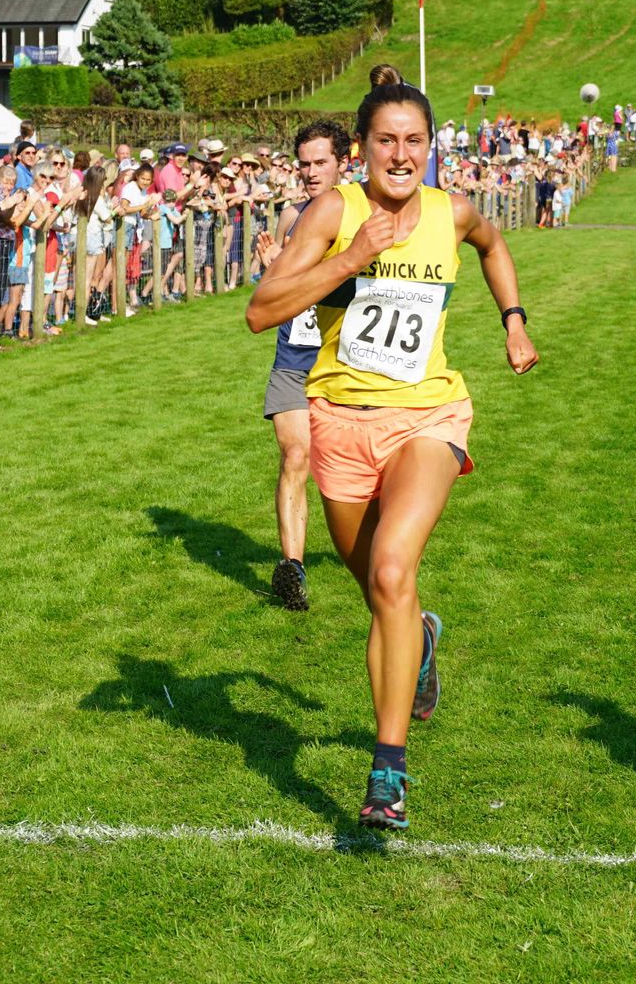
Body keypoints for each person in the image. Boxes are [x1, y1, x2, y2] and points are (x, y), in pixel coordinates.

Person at [245, 64, 537, 831]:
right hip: (339, 421)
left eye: (414, 141)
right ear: (361, 148)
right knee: (382, 596)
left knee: (391, 569)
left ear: (430, 147)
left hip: (428, 417)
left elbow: (494, 246)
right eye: (385, 141)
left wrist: (513, 318)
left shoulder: (454, 212)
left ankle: (388, 773)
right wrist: (350, 255)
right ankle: (423, 638)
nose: (400, 155)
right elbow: (260, 310)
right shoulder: (331, 211)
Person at [253, 118, 348, 611]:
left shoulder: (356, 215)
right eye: (305, 164)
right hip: (294, 356)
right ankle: (293, 569)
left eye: (320, 163)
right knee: (295, 456)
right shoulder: (290, 218)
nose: (311, 173)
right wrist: (271, 261)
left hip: (346, 359)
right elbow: (271, 295)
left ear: (341, 163)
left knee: (346, 471)